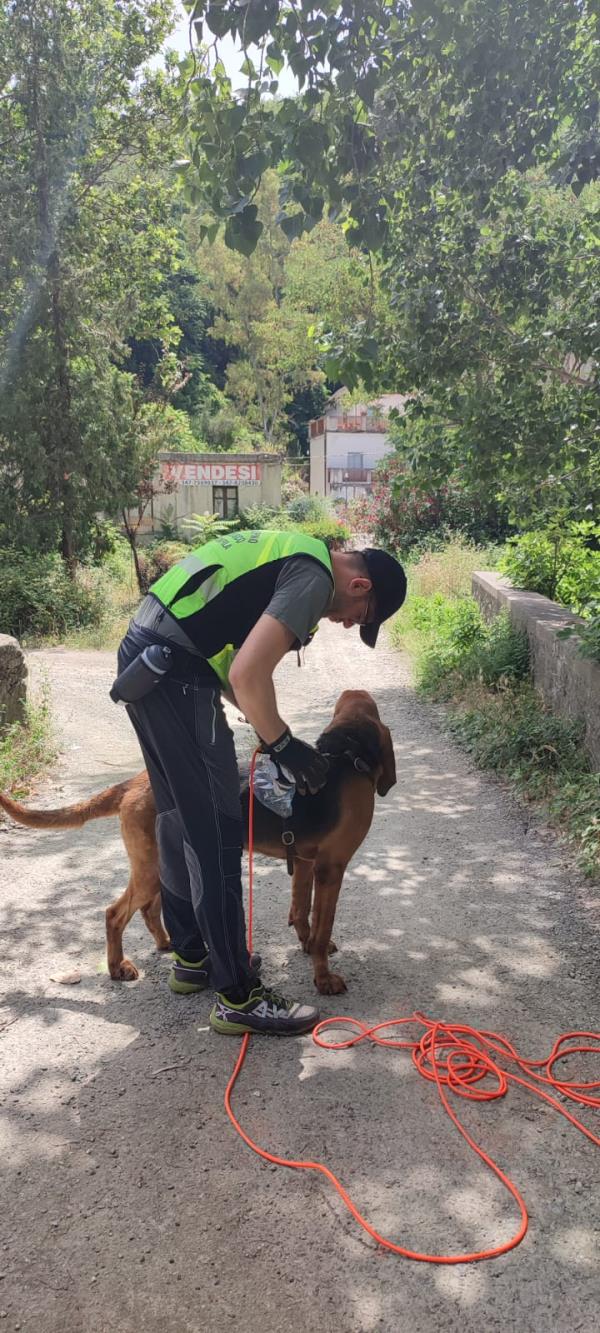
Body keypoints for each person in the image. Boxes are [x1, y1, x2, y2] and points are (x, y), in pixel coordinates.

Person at [113, 529, 406, 1036]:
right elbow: (250, 674)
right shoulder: (313, 576)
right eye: (358, 617)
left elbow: (233, 675)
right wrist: (285, 746)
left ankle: (193, 959)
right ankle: (238, 995)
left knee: (178, 817)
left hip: (148, 662)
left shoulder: (288, 552)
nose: (342, 622)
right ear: (360, 586)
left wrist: (271, 732)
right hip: (176, 674)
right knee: (217, 831)